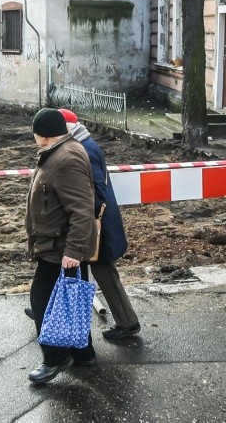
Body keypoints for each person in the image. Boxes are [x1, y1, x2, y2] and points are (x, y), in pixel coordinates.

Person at [25, 108, 98, 384]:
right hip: (61, 244)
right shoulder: (64, 150)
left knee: (42, 300)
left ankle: (55, 358)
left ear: (41, 135)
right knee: (73, 300)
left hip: (60, 247)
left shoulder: (65, 158)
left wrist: (73, 251)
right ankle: (84, 354)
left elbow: (81, 210)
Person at [58, 108, 140, 340]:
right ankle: (46, 309)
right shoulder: (85, 144)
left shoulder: (84, 149)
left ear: (67, 129)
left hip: (98, 227)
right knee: (91, 270)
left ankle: (127, 323)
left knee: (104, 272)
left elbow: (96, 192)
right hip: (99, 224)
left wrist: (84, 219)